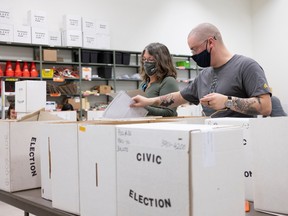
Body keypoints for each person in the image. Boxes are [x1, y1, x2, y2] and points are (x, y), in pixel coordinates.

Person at [131, 23, 272, 118]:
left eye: (194, 49)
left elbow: (266, 106)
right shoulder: (204, 75)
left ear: (210, 42)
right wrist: (147, 102)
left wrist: (227, 101)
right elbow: (178, 98)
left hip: (240, 142)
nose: (193, 54)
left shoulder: (246, 66)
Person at [139, 42, 179, 117]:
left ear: (161, 61)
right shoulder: (143, 84)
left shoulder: (168, 81)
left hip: (161, 127)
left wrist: (143, 107)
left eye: (150, 59)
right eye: (144, 59)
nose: (146, 63)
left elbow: (170, 112)